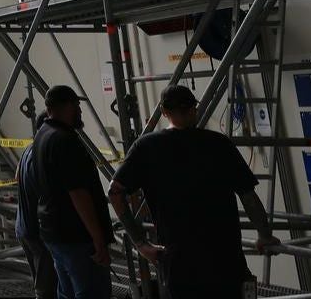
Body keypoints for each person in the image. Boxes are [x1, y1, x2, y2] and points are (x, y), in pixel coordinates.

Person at [110, 85, 279, 299]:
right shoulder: (219, 144)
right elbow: (248, 196)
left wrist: (140, 243)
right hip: (225, 258)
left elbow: (115, 192)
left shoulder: (147, 147)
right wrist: (264, 236)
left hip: (179, 262)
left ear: (163, 112)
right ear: (194, 109)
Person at [27, 86, 111, 299]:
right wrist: (97, 238)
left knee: (67, 292)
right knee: (90, 291)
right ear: (66, 106)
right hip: (76, 236)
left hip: (54, 233)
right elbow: (78, 193)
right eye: (77, 105)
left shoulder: (41, 137)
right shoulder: (64, 140)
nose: (80, 110)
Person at [14, 137, 58, 299]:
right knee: (47, 286)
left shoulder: (28, 151)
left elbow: (17, 176)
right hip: (38, 230)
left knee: (41, 281)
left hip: (24, 227)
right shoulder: (44, 154)